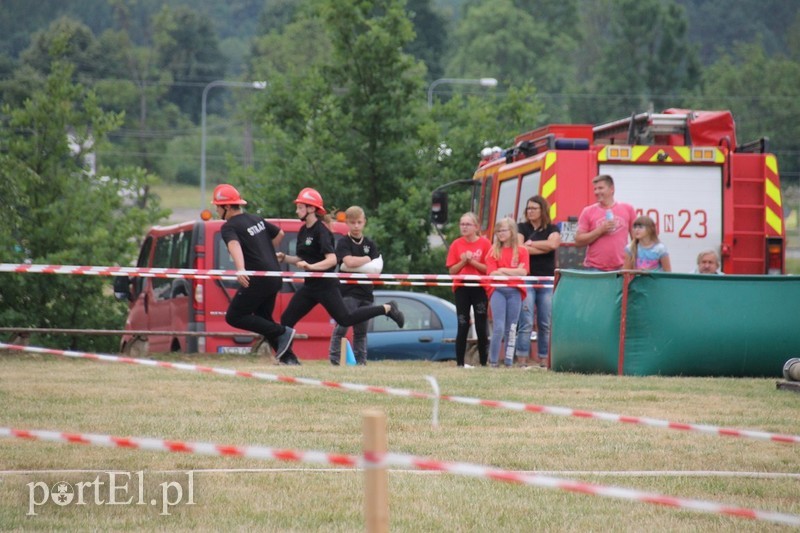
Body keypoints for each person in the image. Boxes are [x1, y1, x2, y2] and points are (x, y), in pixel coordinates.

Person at [277, 187, 404, 365]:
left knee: (345, 319)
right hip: (310, 286)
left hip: (326, 286)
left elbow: (331, 260)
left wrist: (311, 267)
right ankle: (288, 358)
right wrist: (284, 257)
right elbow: (301, 258)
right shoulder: (303, 231)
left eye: (300, 207)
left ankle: (387, 308)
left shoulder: (322, 232)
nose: (297, 211)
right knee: (287, 319)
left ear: (311, 209)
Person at [212, 184, 296, 362]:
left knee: (234, 317)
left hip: (258, 279)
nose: (216, 211)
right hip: (274, 276)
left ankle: (283, 331)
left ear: (227, 207)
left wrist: (241, 268)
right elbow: (280, 233)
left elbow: (234, 244)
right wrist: (264, 251)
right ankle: (289, 359)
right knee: (263, 319)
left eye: (218, 207)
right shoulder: (255, 218)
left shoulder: (229, 227)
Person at [328, 206, 384, 366]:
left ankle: (361, 362)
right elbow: (348, 262)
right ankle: (335, 359)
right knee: (342, 327)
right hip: (348, 293)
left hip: (366, 293)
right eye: (353, 222)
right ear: (347, 223)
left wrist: (357, 263)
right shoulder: (343, 242)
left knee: (361, 331)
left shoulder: (370, 244)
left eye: (359, 222)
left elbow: (377, 268)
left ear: (364, 222)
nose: (356, 226)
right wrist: (367, 259)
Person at [515, 196, 560, 368]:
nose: (530, 211)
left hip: (546, 280)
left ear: (542, 210)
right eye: (528, 208)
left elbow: (553, 245)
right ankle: (522, 359)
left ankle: (544, 359)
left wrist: (532, 244)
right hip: (527, 278)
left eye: (534, 208)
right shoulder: (521, 227)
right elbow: (519, 248)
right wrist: (543, 246)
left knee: (545, 322)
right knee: (526, 321)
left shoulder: (552, 228)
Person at [446, 212, 492, 367]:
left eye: (467, 224)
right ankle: (460, 362)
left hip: (479, 287)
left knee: (481, 325)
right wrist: (463, 261)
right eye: (462, 224)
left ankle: (483, 362)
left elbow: (488, 269)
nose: (464, 227)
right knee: (462, 323)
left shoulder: (485, 244)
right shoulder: (456, 244)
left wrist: (472, 261)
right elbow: (452, 271)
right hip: (462, 287)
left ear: (476, 227)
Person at [485, 217, 530, 368]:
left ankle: (509, 361)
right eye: (498, 231)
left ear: (512, 231)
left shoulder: (522, 250)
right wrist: (513, 272)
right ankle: (493, 361)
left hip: (515, 291)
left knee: (511, 328)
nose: (500, 234)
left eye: (503, 230)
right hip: (497, 290)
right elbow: (492, 274)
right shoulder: (493, 251)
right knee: (498, 327)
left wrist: (502, 269)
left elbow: (523, 272)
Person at [574, 174, 636, 271]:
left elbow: (636, 239)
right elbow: (578, 241)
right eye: (595, 189)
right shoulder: (588, 211)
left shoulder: (628, 209)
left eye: (600, 188)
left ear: (612, 189)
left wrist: (633, 264)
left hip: (621, 268)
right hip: (594, 268)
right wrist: (600, 230)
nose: (597, 192)